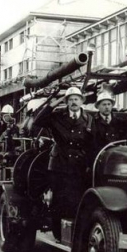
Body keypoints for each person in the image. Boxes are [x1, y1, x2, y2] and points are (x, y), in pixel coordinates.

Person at [33, 86, 93, 240]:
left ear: (81, 101)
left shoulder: (89, 119)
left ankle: (73, 234)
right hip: (59, 164)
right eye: (70, 99)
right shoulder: (57, 116)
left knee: (77, 198)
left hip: (78, 165)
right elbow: (38, 121)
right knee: (59, 199)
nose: (73, 102)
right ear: (66, 102)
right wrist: (52, 104)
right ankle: (58, 233)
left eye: (76, 99)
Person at [90, 91, 125, 162]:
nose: (107, 107)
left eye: (109, 104)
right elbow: (91, 143)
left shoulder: (120, 122)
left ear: (112, 106)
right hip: (99, 158)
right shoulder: (92, 122)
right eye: (104, 104)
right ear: (98, 106)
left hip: (117, 157)